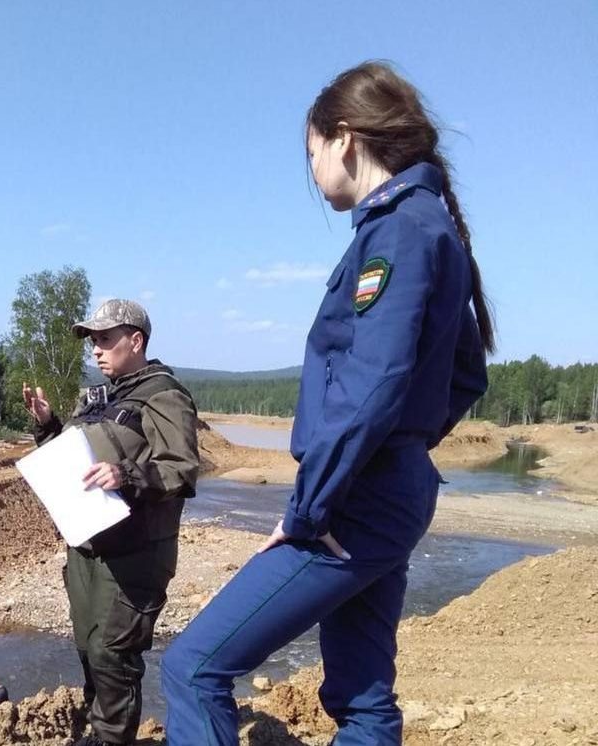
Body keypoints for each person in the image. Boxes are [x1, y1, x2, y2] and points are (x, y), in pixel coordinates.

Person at [160, 61, 493, 745]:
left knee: (194, 668)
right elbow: (463, 377)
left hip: (355, 500)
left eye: (309, 155)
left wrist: (311, 509)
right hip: (390, 489)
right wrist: (403, 449)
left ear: (344, 140)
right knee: (364, 699)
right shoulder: (431, 228)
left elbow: (368, 388)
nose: (312, 173)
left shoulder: (397, 232)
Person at [22, 299, 200, 746]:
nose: (95, 351)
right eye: (92, 342)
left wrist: (127, 476)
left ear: (135, 341)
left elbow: (181, 468)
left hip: (137, 551)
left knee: (112, 653)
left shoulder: (164, 394)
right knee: (87, 646)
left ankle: (110, 737)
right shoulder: (102, 396)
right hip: (88, 546)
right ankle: (96, 730)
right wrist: (48, 426)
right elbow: (76, 457)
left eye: (104, 340)